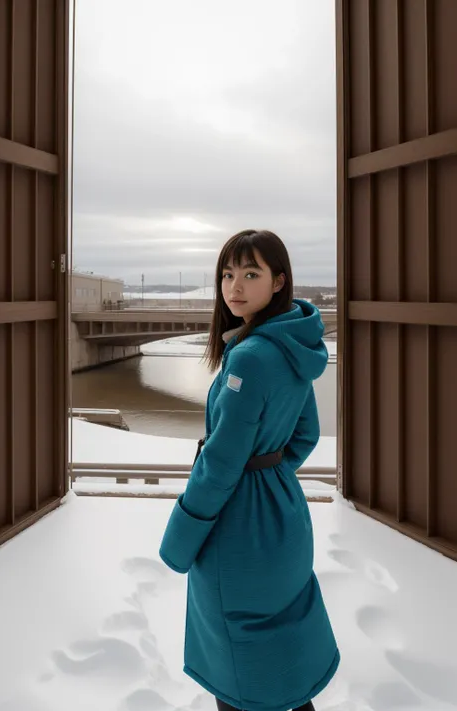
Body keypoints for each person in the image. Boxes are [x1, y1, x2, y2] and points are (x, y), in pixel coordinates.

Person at [159, 230, 340, 711]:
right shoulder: (293, 346)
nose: (234, 286)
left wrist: (179, 541)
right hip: (284, 523)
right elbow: (304, 435)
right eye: (227, 274)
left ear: (279, 281)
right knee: (280, 659)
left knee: (239, 678)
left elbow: (220, 464)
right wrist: (271, 477)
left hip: (240, 533)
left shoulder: (250, 358)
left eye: (251, 274)